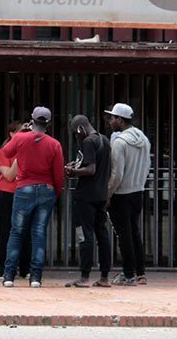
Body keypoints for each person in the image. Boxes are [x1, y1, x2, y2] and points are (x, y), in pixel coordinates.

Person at [0, 106, 65, 288]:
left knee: (17, 232)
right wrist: (56, 191)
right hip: (46, 189)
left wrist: (24, 132)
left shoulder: (21, 138)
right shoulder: (54, 144)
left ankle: (8, 276)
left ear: (32, 120)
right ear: (48, 123)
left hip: (24, 188)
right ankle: (35, 276)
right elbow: (58, 173)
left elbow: (6, 152)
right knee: (39, 233)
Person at [105, 103, 151, 286]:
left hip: (122, 193)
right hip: (138, 191)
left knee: (123, 235)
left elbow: (117, 174)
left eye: (112, 118)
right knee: (134, 232)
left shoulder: (119, 142)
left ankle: (128, 273)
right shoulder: (144, 139)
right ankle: (140, 272)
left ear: (120, 120)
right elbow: (147, 166)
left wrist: (108, 193)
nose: (110, 121)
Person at [64, 114, 112, 288]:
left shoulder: (88, 142)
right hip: (101, 194)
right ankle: (105, 277)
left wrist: (72, 172)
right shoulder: (105, 140)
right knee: (102, 234)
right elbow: (100, 167)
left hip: (85, 196)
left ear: (80, 129)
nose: (76, 137)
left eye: (75, 133)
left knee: (84, 235)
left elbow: (91, 169)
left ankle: (84, 277)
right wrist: (77, 165)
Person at [0, 120, 31, 280]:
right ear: (12, 134)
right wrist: (20, 155)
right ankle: (3, 269)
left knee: (26, 230)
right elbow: (9, 175)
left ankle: (25, 268)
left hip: (24, 191)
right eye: (20, 133)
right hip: (8, 193)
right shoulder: (4, 152)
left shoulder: (31, 149)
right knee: (6, 230)